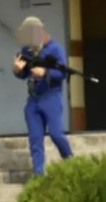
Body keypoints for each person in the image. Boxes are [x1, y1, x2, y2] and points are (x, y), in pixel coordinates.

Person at [13, 16, 73, 174]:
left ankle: (72, 163)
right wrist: (18, 70)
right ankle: (38, 173)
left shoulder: (55, 49)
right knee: (35, 138)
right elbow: (23, 74)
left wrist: (45, 72)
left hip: (51, 96)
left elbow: (63, 74)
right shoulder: (27, 50)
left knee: (56, 134)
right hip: (33, 99)